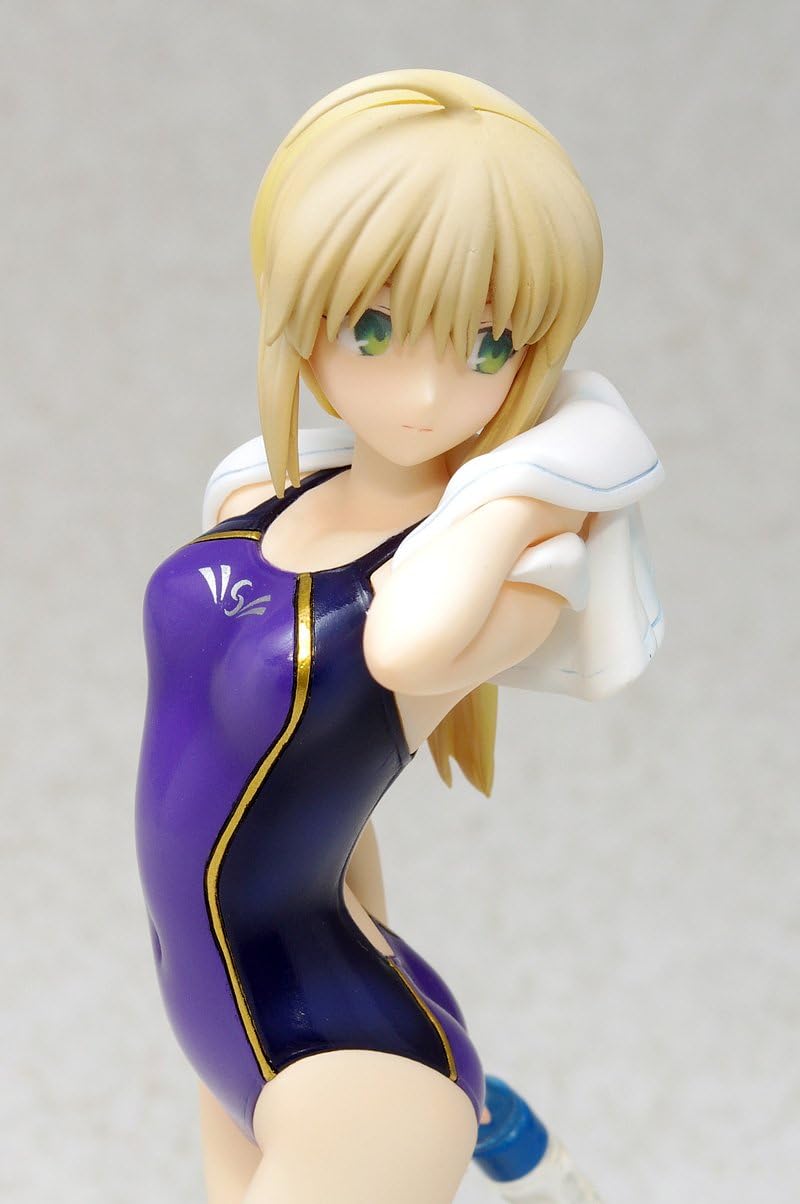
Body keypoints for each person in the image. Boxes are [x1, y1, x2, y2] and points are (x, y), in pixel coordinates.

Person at [136, 70, 663, 1204]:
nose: (424, 393)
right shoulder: (270, 496)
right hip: (228, 1028)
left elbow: (406, 651)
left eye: (489, 346)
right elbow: (313, 801)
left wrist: (531, 483)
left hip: (347, 1063)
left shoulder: (495, 570)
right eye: (372, 327)